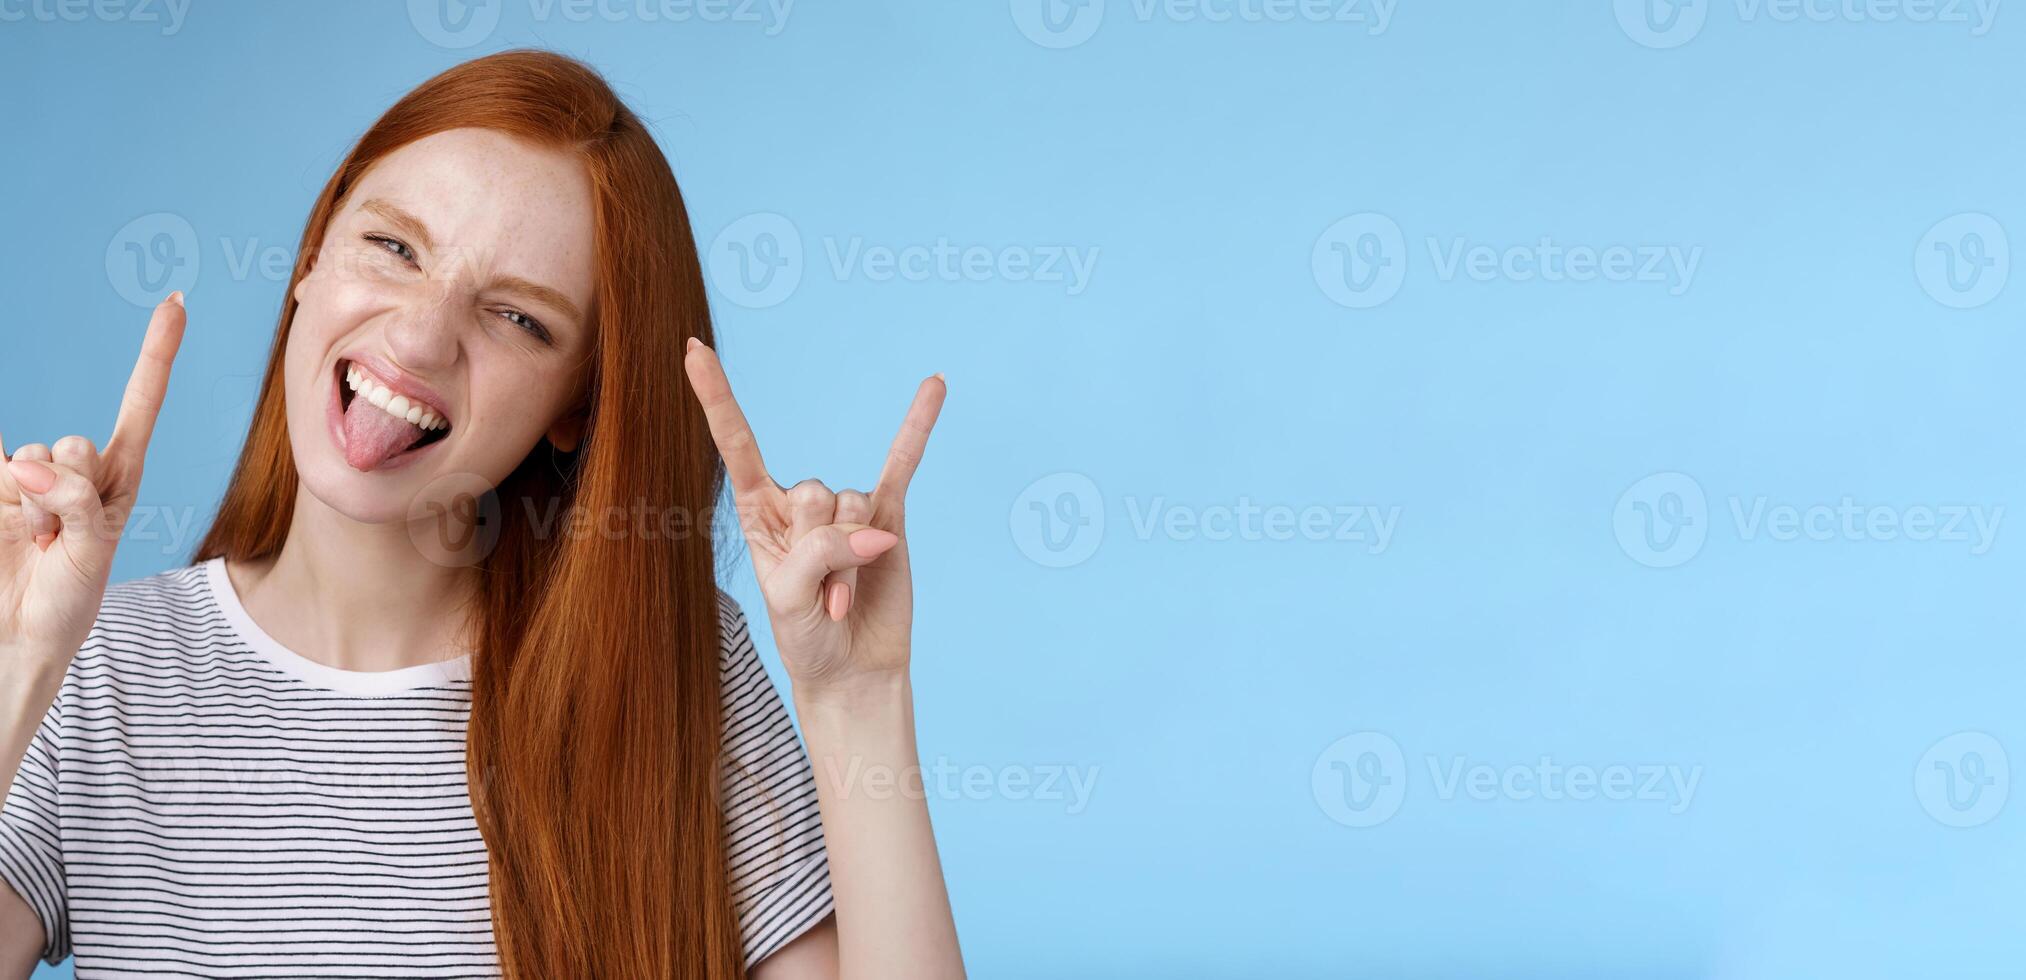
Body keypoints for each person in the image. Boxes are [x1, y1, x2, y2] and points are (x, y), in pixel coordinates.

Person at [0, 50, 963, 979]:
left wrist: (857, 703)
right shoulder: (94, 673)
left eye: (519, 318)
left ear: (574, 410)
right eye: (392, 247)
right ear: (311, 260)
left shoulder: (673, 665)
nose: (420, 336)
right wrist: (17, 664)